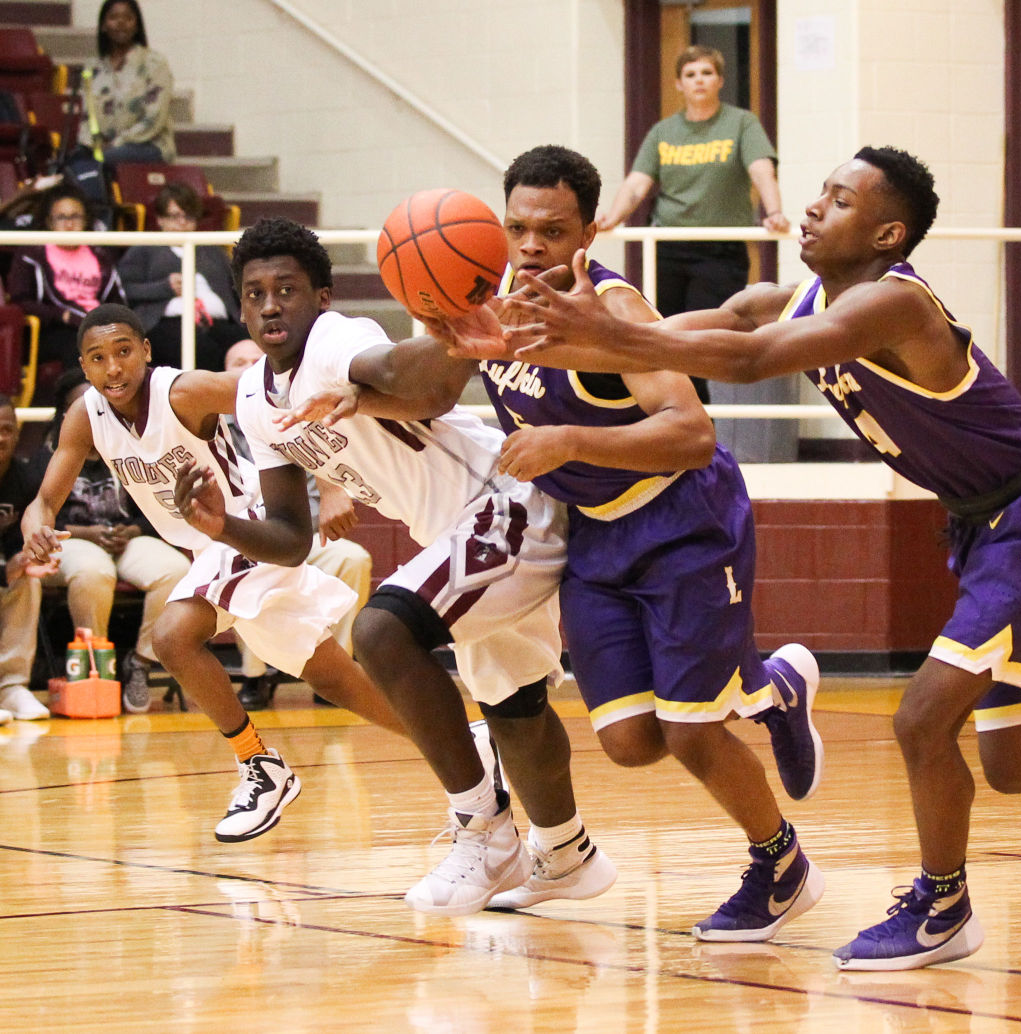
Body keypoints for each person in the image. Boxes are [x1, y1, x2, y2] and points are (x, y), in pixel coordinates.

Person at [484, 146, 1021, 970]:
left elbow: (749, 361)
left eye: (838, 202)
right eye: (819, 193)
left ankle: (941, 906)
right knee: (1020, 760)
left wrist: (604, 330)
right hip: (988, 523)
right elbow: (713, 330)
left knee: (921, 719)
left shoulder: (894, 307)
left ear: (886, 234)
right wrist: (543, 337)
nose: (812, 209)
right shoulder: (801, 297)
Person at [300, 145, 824, 936]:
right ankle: (771, 688)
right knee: (628, 742)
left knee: (687, 731)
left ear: (589, 230)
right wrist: (358, 401)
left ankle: (781, 865)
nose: (533, 245)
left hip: (682, 519)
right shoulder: (495, 296)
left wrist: (569, 441)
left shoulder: (612, 310)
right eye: (517, 227)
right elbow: (441, 384)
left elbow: (690, 432)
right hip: (595, 536)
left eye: (553, 230)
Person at [177, 217, 612, 916]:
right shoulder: (255, 401)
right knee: (515, 708)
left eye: (286, 288)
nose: (269, 305)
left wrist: (460, 329)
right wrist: (221, 524)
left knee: (381, 632)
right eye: (254, 293)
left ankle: (485, 834)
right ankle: (566, 856)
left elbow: (416, 385)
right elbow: (291, 537)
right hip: (455, 532)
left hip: (504, 504)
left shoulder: (334, 339)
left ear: (320, 296)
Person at [22, 304, 410, 842]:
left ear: (146, 352)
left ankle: (259, 766)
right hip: (209, 552)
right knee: (331, 675)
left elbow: (283, 400)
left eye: (123, 352)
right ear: (84, 367)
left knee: (173, 637)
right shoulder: (86, 416)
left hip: (248, 527)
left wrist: (335, 483)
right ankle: (462, 740)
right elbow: (43, 501)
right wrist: (35, 527)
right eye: (98, 358)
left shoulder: (185, 392)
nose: (113, 368)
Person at [597, 44, 789, 403]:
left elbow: (761, 169)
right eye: (690, 74)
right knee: (664, 337)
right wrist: (613, 216)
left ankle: (698, 426)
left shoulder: (741, 123)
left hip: (719, 251)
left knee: (697, 338)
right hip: (668, 248)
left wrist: (774, 211)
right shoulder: (663, 132)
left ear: (719, 80)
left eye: (706, 73)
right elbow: (638, 182)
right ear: (679, 84)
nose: (698, 80)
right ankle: (685, 421)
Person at [220, 338, 372, 711]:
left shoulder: (294, 412)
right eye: (238, 362)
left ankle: (333, 676)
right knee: (238, 565)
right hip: (242, 538)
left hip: (298, 534)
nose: (247, 370)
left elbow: (329, 452)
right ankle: (255, 676)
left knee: (353, 558)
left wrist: (332, 487)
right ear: (223, 374)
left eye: (255, 363)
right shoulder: (210, 425)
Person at [38, 366, 189, 713]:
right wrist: (87, 534)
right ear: (66, 413)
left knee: (175, 571)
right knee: (94, 572)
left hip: (123, 538)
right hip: (71, 538)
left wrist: (133, 530)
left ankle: (141, 661)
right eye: (83, 406)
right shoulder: (48, 454)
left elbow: (158, 506)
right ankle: (96, 669)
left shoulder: (127, 443)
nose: (93, 412)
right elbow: (42, 514)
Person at [5, 183, 126, 398]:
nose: (69, 224)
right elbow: (20, 301)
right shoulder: (32, 253)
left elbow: (117, 301)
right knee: (78, 343)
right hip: (50, 330)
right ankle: (80, 411)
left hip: (97, 325)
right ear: (50, 222)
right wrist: (62, 315)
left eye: (75, 216)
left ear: (86, 220)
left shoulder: (100, 254)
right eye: (61, 217)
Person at [116, 183, 249, 371]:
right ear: (160, 219)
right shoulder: (144, 248)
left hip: (218, 322)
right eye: (175, 217)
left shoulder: (212, 251)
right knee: (202, 349)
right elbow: (123, 289)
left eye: (188, 217)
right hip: (167, 323)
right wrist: (164, 287)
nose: (182, 223)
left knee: (247, 346)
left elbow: (235, 288)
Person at [0, 393, 51, 722]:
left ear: (18, 435)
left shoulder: (25, 480)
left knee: (27, 580)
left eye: (6, 429)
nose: (0, 437)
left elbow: (21, 544)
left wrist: (34, 558)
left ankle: (11, 687)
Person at [81, 0, 176, 166]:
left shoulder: (154, 63)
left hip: (147, 145)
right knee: (72, 165)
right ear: (103, 26)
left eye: (128, 18)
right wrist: (94, 145)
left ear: (137, 26)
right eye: (113, 17)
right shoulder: (93, 68)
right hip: (104, 148)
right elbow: (86, 118)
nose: (121, 22)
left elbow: (154, 119)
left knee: (99, 162)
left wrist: (116, 144)